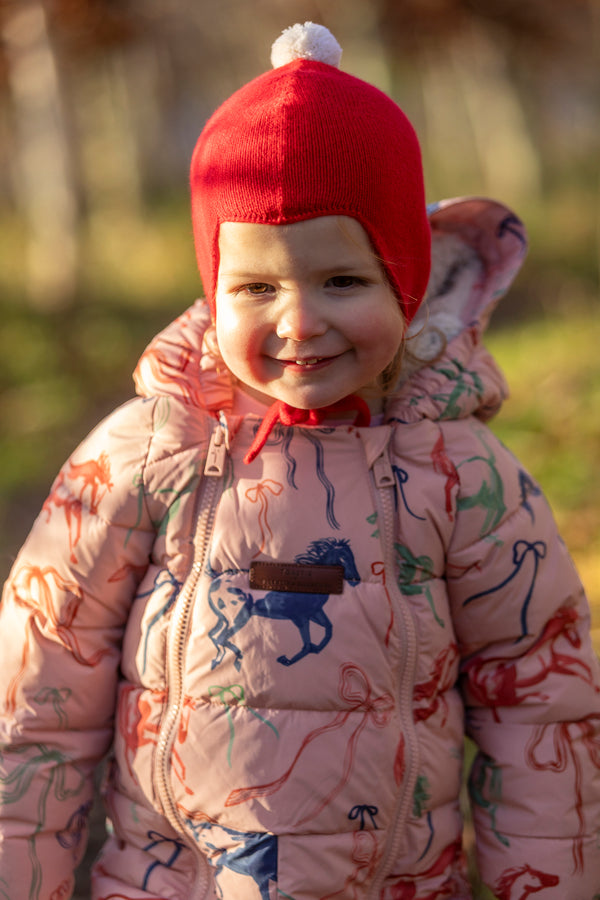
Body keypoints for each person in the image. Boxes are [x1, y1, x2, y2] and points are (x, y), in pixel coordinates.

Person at [0, 21, 599, 900]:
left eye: (342, 282)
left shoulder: (464, 479)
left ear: (406, 282)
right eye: (256, 287)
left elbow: (544, 715)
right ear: (213, 288)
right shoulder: (142, 459)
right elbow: (34, 709)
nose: (298, 322)